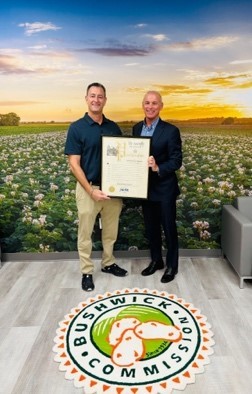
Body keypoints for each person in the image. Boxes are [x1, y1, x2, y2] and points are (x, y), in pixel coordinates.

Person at [64, 82, 128, 292]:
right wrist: (91, 190)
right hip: (88, 189)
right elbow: (74, 163)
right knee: (85, 234)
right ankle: (87, 271)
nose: (96, 100)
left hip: (112, 190)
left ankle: (108, 263)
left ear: (105, 100)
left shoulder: (113, 127)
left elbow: (122, 158)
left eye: (100, 96)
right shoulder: (77, 127)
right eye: (92, 96)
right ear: (86, 98)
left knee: (110, 231)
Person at [132, 91, 182, 283]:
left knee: (169, 228)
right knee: (151, 228)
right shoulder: (137, 128)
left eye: (154, 103)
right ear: (142, 105)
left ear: (161, 106)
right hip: (144, 188)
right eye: (147, 103)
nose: (150, 106)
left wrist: (158, 167)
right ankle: (156, 261)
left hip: (165, 188)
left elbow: (176, 160)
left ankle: (171, 266)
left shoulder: (171, 131)